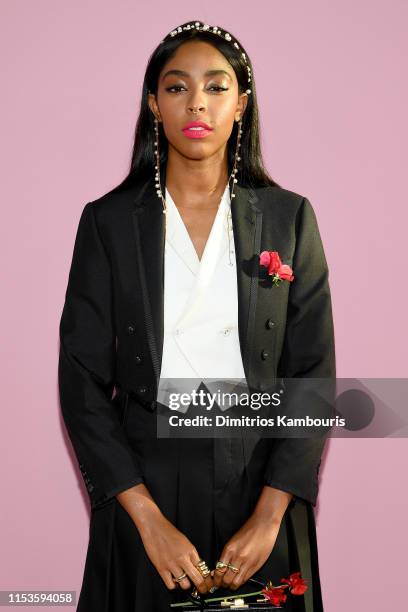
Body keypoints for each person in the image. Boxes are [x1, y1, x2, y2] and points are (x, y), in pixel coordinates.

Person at [58, 20, 336, 612]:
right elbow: (81, 380)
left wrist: (271, 512)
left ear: (241, 102)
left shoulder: (290, 218)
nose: (197, 104)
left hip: (261, 485)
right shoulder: (107, 222)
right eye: (177, 87)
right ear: (154, 104)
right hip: (144, 484)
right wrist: (144, 515)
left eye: (216, 86)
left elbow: (311, 375)